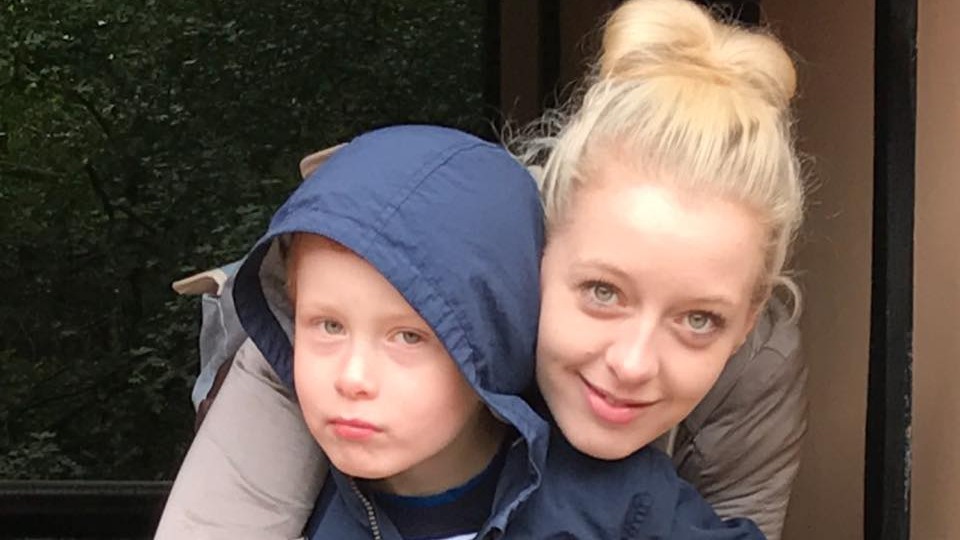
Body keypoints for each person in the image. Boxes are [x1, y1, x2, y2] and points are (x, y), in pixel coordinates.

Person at [156, 0, 806, 538]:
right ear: (531, 260)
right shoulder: (343, 317)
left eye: (700, 320)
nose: (633, 363)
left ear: (746, 323)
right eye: (603, 291)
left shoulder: (738, 391)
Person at [209, 123, 765, 539]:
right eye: (328, 325)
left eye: (408, 336)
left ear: (492, 341)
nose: (353, 378)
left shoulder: (620, 501)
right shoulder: (287, 503)